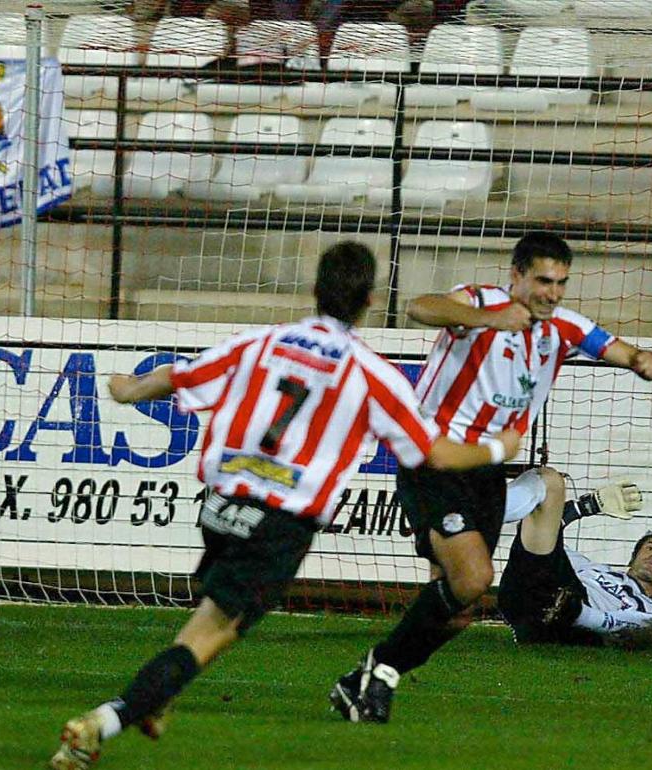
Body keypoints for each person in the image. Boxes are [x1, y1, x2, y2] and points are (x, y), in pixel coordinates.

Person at [49, 242, 519, 770]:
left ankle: (156, 695)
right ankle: (101, 723)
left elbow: (178, 378)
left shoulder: (261, 341)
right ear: (368, 300)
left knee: (214, 620)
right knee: (214, 632)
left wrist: (126, 389)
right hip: (278, 520)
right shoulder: (371, 372)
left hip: (221, 505)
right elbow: (433, 451)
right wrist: (500, 447)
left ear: (315, 289)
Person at [329, 231, 652, 723]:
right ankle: (376, 674)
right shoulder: (481, 301)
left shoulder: (563, 328)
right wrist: (486, 320)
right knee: (475, 577)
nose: (551, 293)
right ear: (516, 276)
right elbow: (421, 307)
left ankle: (370, 677)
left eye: (561, 284)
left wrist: (641, 361)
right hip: (434, 457)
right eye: (543, 281)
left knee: (459, 609)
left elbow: (613, 347)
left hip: (486, 470)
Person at [497, 466, 652, 650]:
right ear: (632, 558)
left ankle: (580, 616)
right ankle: (488, 513)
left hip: (572, 628)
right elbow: (542, 536)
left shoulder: (651, 612)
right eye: (650, 547)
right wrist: (588, 506)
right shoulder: (590, 568)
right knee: (550, 481)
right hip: (538, 594)